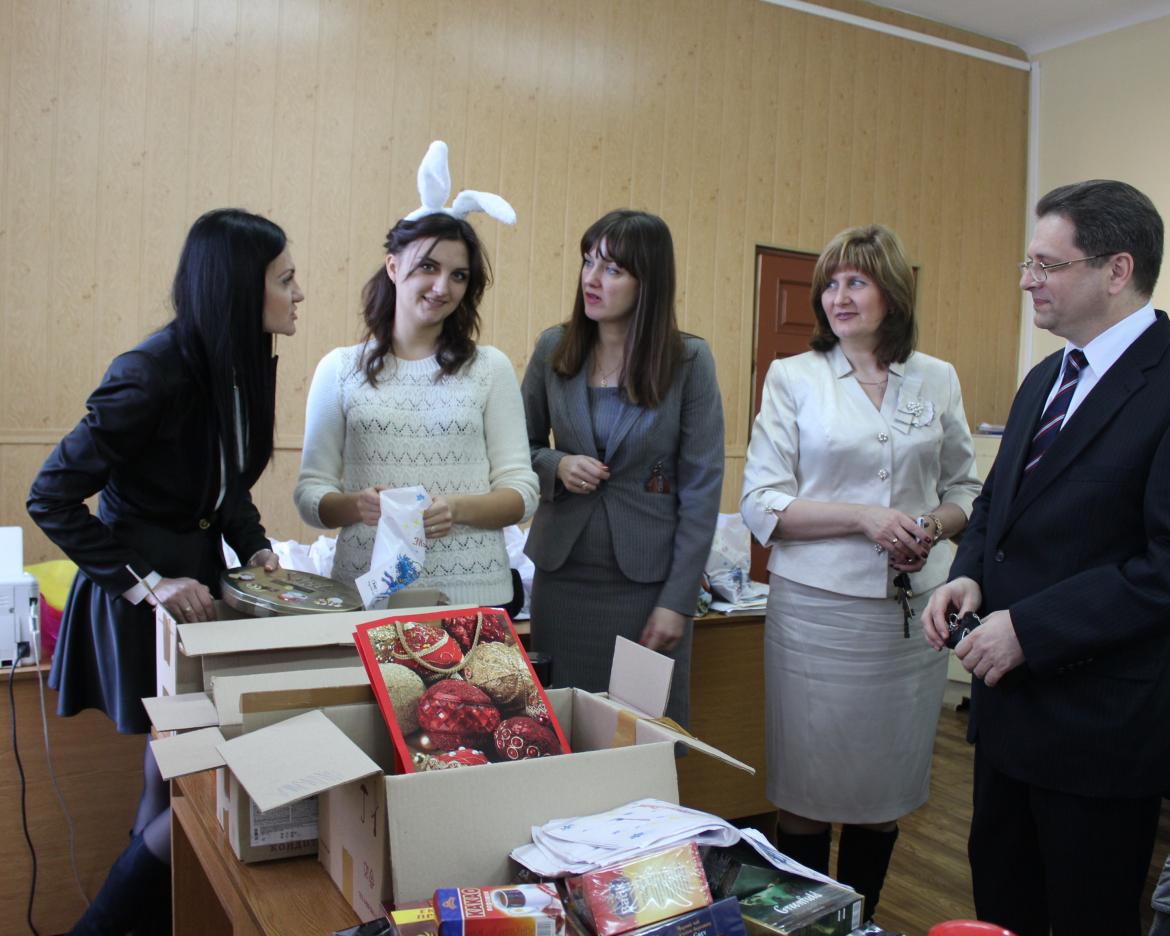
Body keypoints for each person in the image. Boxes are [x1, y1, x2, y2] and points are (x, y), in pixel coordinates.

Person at [27, 207, 301, 934]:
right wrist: (150, 584)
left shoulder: (239, 365)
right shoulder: (148, 372)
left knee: (172, 778)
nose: (299, 293)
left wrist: (257, 549)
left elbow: (227, 485)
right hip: (142, 597)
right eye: (285, 279)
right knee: (191, 778)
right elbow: (50, 496)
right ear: (240, 287)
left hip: (198, 594)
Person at [922, 180, 1170, 935]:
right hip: (1008, 718)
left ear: (1117, 270)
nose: (1028, 280)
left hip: (1100, 728)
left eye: (1046, 264)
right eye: (1027, 263)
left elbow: (1163, 568)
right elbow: (997, 503)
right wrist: (967, 573)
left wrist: (1030, 629)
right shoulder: (1046, 378)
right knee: (1002, 910)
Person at [740, 224, 980, 922]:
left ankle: (860, 920)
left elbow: (967, 490)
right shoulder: (794, 376)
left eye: (857, 281)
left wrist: (929, 527)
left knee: (884, 794)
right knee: (806, 792)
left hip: (911, 621)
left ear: (892, 293)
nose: (838, 296)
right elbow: (761, 501)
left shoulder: (936, 377)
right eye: (831, 284)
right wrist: (864, 518)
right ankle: (807, 925)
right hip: (816, 616)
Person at [295, 141, 538, 607]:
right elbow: (311, 496)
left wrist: (457, 509)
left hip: (471, 599)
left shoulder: (489, 368)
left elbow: (522, 493)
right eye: (428, 267)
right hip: (369, 597)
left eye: (459, 275)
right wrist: (357, 505)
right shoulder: (340, 369)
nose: (442, 286)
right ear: (393, 266)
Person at [521, 209, 724, 726]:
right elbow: (518, 449)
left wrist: (678, 601)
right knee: (562, 726)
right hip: (563, 580)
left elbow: (702, 489)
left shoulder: (688, 361)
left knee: (639, 734)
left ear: (647, 282)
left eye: (612, 269)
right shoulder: (553, 349)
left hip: (648, 587)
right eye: (589, 262)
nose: (592, 278)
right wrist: (556, 464)